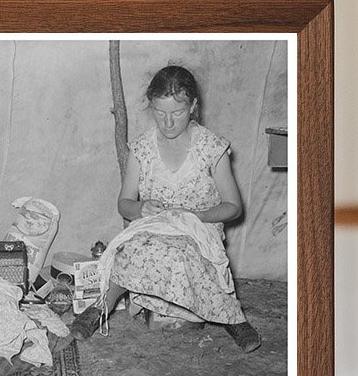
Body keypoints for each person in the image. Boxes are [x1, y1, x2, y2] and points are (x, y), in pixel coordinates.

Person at [73, 65, 261, 353]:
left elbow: (233, 207)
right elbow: (124, 203)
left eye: (177, 113)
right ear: (151, 107)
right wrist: (140, 207)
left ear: (193, 107)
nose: (168, 122)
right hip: (154, 225)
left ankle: (233, 319)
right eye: (160, 113)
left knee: (185, 253)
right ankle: (101, 307)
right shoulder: (142, 149)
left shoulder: (212, 148)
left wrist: (195, 215)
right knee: (130, 249)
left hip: (198, 227)